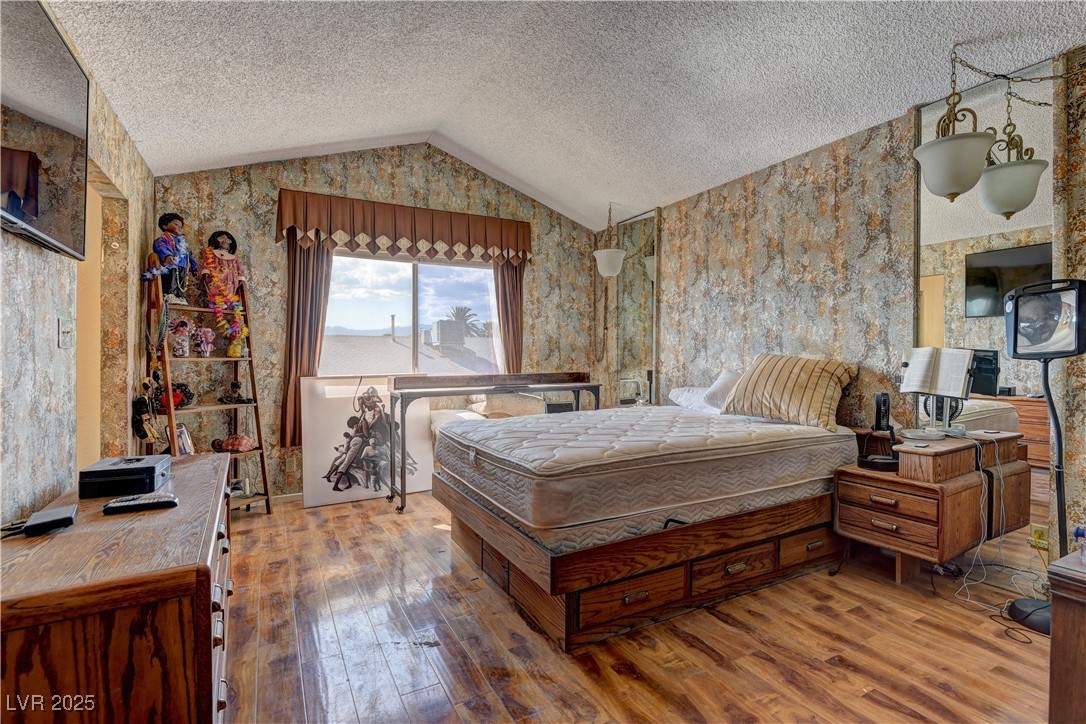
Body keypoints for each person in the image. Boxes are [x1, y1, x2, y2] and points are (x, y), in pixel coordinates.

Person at [142, 213, 197, 306]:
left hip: (183, 266)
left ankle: (179, 296)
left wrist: (194, 266)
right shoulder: (164, 239)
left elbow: (189, 253)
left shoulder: (182, 241)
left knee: (181, 281)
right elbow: (161, 247)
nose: (179, 228)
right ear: (165, 226)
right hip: (171, 265)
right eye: (176, 224)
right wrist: (167, 255)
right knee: (171, 280)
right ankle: (169, 294)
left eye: (181, 226)